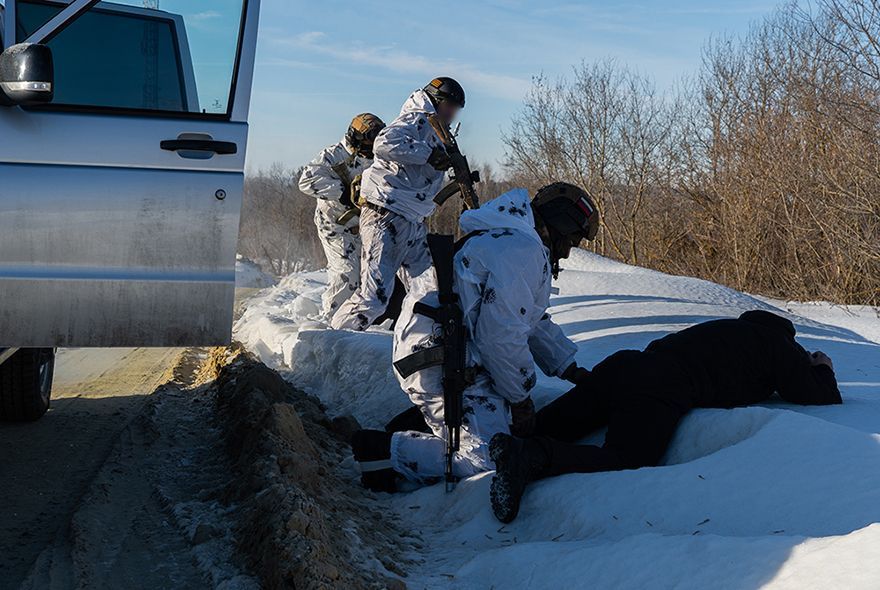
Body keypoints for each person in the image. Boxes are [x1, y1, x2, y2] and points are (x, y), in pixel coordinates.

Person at [350, 182, 601, 492]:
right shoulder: (521, 251)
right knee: (488, 461)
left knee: (495, 438)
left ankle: (418, 430)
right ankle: (381, 452)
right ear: (562, 224)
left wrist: (568, 366)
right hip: (439, 357)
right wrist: (521, 399)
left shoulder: (510, 242)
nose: (568, 251)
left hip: (442, 350)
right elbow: (501, 338)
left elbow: (528, 320)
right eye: (573, 241)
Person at [488, 310, 843, 522]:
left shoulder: (727, 328)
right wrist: (822, 367)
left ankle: (506, 445)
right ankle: (530, 458)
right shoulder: (779, 344)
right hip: (662, 385)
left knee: (555, 423)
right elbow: (818, 395)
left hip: (625, 363)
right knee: (627, 457)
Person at [331, 78, 466, 331]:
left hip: (411, 220)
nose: (452, 113)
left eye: (455, 109)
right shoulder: (416, 119)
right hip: (386, 216)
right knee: (374, 298)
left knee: (429, 291)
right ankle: (333, 344)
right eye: (449, 106)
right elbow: (384, 143)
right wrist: (429, 154)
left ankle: (417, 343)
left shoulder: (436, 128)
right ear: (437, 101)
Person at [298, 113, 385, 320]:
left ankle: (359, 322)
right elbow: (306, 181)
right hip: (335, 226)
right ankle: (332, 323)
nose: (370, 147)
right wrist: (342, 191)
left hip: (366, 226)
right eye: (368, 141)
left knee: (372, 277)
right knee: (347, 275)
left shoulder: (378, 157)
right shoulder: (333, 156)